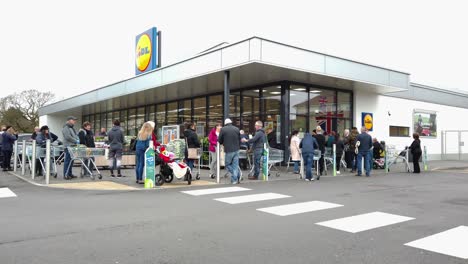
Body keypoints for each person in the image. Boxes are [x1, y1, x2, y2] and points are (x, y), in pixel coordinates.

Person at [218, 118, 241, 184]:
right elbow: (239, 139)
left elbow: (220, 140)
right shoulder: (236, 129)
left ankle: (236, 176)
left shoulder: (223, 129)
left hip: (229, 150)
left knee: (227, 164)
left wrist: (223, 142)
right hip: (236, 149)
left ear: (225, 123)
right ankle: (236, 177)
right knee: (235, 165)